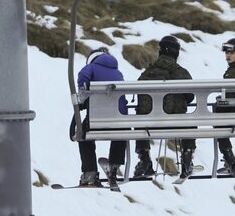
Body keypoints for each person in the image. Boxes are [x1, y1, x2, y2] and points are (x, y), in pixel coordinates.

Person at [134, 35, 196, 179]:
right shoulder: (181, 72)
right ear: (176, 52)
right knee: (191, 123)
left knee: (139, 119)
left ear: (160, 51)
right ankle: (187, 159)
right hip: (175, 122)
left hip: (148, 124)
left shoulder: (147, 73)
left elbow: (138, 92)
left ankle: (144, 159)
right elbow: (191, 95)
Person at [77, 47, 127, 187]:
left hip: (97, 119)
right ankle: (114, 167)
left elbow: (83, 79)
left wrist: (82, 98)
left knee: (82, 134)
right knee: (121, 131)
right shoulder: (117, 72)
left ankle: (90, 172)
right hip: (120, 119)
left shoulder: (90, 68)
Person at [215, 38, 235, 176]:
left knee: (217, 119)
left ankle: (229, 159)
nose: (228, 55)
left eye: (231, 52)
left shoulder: (232, 73)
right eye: (226, 52)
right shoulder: (231, 70)